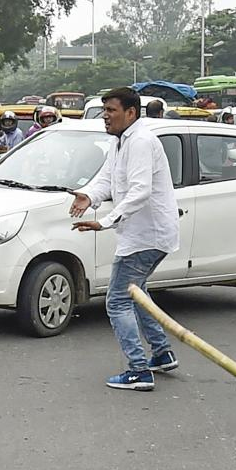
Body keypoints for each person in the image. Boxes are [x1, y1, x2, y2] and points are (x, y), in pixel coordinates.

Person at [69, 87, 180, 391]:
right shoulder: (120, 142)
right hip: (141, 235)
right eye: (104, 110)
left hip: (147, 236)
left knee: (117, 300)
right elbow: (107, 179)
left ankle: (139, 370)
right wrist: (88, 196)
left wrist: (105, 221)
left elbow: (140, 191)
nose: (105, 116)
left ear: (131, 113)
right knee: (136, 293)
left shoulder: (141, 141)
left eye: (111, 111)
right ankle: (162, 353)